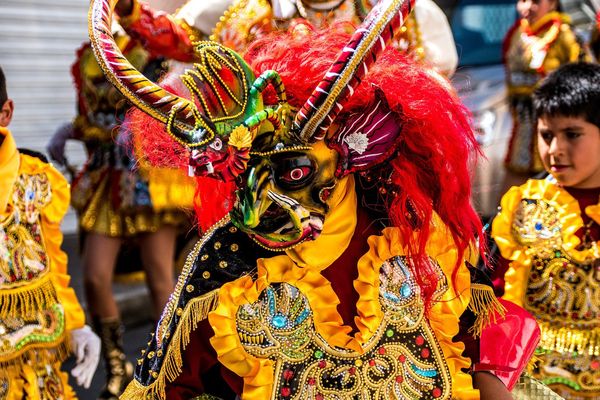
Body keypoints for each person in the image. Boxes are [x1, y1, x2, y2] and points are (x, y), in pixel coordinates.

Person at [88, 0, 539, 398]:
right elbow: (168, 385)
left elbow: (485, 330)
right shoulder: (229, 262)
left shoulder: (417, 236)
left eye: (294, 173)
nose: (263, 207)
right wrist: (129, 13)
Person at [46, 31, 196, 400]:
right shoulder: (88, 53)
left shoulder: (151, 49)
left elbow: (163, 107)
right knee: (95, 277)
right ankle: (118, 364)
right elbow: (87, 111)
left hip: (146, 178)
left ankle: (170, 369)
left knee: (161, 278)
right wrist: (74, 129)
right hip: (105, 177)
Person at [492, 62, 600, 398]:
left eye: (572, 134)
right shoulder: (522, 208)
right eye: (546, 135)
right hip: (532, 386)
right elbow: (494, 298)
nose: (554, 149)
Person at [0, 66, 100, 398]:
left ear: (6, 113)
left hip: (38, 357)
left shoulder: (37, 179)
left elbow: (53, 263)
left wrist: (77, 325)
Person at [114, 0, 458, 76]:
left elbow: (432, 85)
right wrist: (129, 11)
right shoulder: (247, 12)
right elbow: (184, 43)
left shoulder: (401, 15)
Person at [501, 0, 589, 191]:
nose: (527, 8)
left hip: (556, 122)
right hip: (523, 123)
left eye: (535, 2)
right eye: (523, 1)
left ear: (552, 4)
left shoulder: (565, 34)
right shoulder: (516, 33)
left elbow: (584, 83)